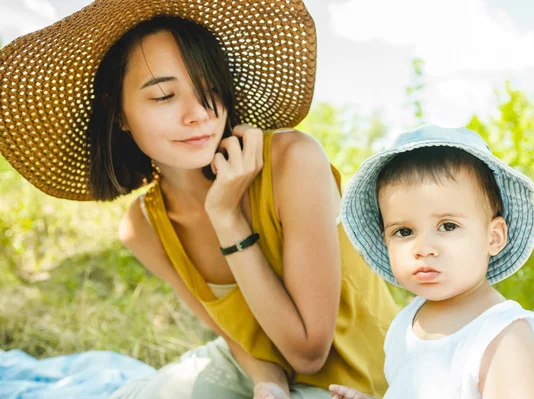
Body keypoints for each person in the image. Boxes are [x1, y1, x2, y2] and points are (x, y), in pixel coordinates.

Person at [0, 1, 398, 398]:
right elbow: (234, 335)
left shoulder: (293, 161)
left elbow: (310, 352)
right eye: (164, 96)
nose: (197, 115)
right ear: (119, 113)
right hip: (255, 373)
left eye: (208, 90)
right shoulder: (145, 226)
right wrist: (267, 382)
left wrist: (227, 217)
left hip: (352, 383)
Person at [330, 125, 534, 398]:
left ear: (494, 236)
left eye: (448, 226)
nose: (423, 248)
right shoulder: (407, 323)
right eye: (404, 232)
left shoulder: (503, 336)